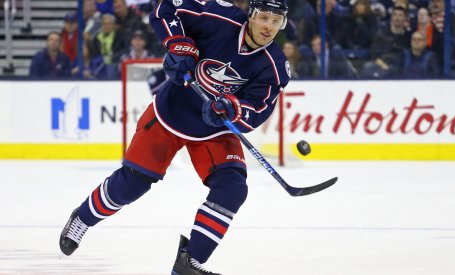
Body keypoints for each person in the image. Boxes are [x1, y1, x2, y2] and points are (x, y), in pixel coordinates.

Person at [59, 0, 290, 274]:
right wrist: (178, 43)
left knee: (233, 188)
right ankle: (82, 218)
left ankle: (187, 263)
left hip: (213, 130)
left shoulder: (274, 65)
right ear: (251, 16)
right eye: (264, 17)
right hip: (170, 113)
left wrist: (233, 108)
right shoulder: (218, 16)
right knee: (133, 184)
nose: (269, 27)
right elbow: (165, 7)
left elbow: (259, 109)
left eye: (276, 21)